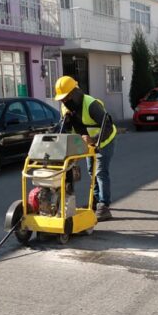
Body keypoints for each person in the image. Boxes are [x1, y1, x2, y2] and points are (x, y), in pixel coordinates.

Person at [53, 76, 117, 221]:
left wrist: (94, 140)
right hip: (87, 142)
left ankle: (104, 206)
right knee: (91, 171)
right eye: (62, 99)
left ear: (75, 93)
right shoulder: (66, 107)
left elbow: (107, 125)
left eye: (66, 97)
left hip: (105, 140)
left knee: (100, 171)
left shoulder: (91, 104)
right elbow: (66, 129)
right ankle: (95, 200)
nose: (64, 101)